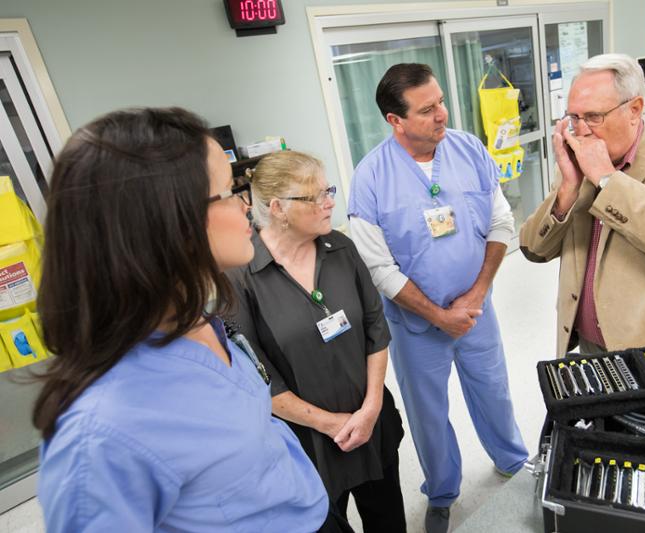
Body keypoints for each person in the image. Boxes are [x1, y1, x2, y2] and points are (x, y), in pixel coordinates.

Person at [33, 107, 350, 532]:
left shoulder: (201, 320)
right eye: (226, 191)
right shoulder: (99, 437)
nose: (243, 205)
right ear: (169, 220)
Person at [347, 63, 529, 533]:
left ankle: (513, 464)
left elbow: (501, 223)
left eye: (441, 101)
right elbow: (380, 269)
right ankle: (443, 491)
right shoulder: (370, 179)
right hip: (414, 326)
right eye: (427, 110)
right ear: (396, 120)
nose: (442, 114)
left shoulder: (468, 149)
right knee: (428, 414)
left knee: (494, 391)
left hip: (476, 312)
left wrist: (476, 294)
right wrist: (438, 316)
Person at [226, 151, 406, 532]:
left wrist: (371, 406)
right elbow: (257, 376)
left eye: (329, 191)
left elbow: (375, 325)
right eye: (316, 196)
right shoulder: (240, 277)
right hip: (308, 443)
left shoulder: (340, 247)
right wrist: (330, 424)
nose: (330, 202)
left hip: (370, 420)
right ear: (277, 208)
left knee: (388, 518)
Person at [519, 53, 645, 356]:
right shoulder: (577, 167)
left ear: (635, 109)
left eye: (593, 117)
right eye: (574, 118)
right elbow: (533, 250)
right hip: (589, 349)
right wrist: (567, 189)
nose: (582, 130)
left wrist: (607, 179)